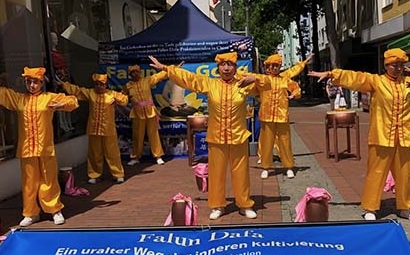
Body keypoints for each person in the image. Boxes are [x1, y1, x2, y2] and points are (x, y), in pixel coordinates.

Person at [308, 48, 410, 222]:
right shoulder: (376, 81)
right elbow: (355, 78)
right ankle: (370, 207)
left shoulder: (409, 83)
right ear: (386, 65)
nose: (398, 68)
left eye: (401, 65)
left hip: (404, 136)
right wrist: (332, 74)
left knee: (405, 174)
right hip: (382, 136)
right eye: (394, 65)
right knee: (376, 172)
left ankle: (405, 206)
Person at [149, 52, 258, 220]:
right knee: (216, 173)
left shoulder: (244, 84)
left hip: (238, 135)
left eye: (230, 65)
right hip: (216, 136)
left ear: (235, 68)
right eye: (223, 65)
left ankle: (244, 204)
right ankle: (217, 205)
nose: (227, 68)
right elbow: (189, 78)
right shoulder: (210, 84)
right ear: (218, 68)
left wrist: (257, 79)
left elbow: (274, 84)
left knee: (241, 172)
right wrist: (165, 68)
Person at [0, 67, 79, 226]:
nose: (32, 85)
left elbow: (72, 101)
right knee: (29, 182)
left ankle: (54, 209)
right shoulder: (19, 99)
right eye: (29, 82)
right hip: (27, 148)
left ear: (41, 83)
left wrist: (61, 105)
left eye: (35, 82)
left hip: (45, 147)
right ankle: (31, 213)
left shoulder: (48, 98)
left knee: (49, 179)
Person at [249, 53, 310, 179]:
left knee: (285, 142)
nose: (273, 68)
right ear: (266, 67)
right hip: (266, 116)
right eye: (270, 66)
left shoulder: (284, 79)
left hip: (282, 116)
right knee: (266, 142)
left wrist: (294, 94)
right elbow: (249, 81)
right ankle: (265, 167)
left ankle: (288, 166)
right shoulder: (263, 80)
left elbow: (295, 86)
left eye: (276, 65)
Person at [60, 74, 128, 184]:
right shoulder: (91, 93)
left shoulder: (112, 94)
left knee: (113, 153)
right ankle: (94, 174)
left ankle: (118, 174)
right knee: (94, 153)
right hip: (93, 128)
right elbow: (78, 91)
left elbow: (124, 99)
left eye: (101, 84)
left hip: (108, 129)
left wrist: (118, 101)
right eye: (97, 84)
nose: (99, 87)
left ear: (106, 85)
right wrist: (64, 85)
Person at [123, 65, 168, 166]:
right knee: (137, 136)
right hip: (137, 113)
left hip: (150, 111)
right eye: (132, 73)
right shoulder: (128, 85)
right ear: (130, 75)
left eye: (137, 72)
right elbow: (122, 96)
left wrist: (172, 69)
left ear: (140, 72)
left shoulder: (147, 80)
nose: (135, 74)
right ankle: (135, 157)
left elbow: (159, 76)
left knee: (153, 134)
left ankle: (158, 156)